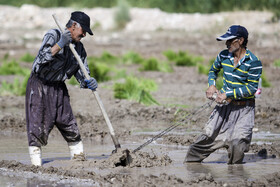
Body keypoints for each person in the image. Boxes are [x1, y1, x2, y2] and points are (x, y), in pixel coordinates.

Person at [25, 11, 98, 166]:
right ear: (73, 26)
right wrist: (60, 44)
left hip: (59, 88)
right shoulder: (54, 35)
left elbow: (82, 73)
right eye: (83, 30)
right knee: (38, 126)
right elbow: (39, 61)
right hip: (40, 85)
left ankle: (79, 162)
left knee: (69, 124)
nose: (84, 34)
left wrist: (88, 81)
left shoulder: (79, 48)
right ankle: (36, 167)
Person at [184, 25, 262, 164]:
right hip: (224, 108)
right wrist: (212, 85)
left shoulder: (254, 62)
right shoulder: (223, 55)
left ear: (241, 40)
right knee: (204, 140)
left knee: (237, 144)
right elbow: (213, 71)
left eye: (230, 41)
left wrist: (228, 94)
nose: (226, 44)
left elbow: (251, 88)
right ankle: (190, 165)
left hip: (244, 109)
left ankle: (235, 177)